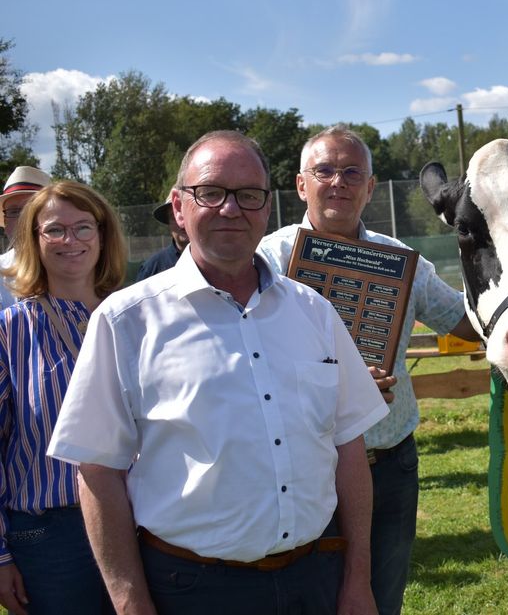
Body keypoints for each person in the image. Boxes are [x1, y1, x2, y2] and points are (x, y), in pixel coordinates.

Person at [47, 131, 389, 615]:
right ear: (179, 207)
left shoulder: (313, 312)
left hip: (316, 580)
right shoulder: (127, 322)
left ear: (267, 208)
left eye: (249, 195)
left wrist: (358, 579)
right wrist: (128, 601)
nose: (232, 209)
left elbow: (349, 448)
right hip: (191, 589)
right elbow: (98, 471)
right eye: (211, 192)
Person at [258, 124, 478, 615]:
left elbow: (464, 321)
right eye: (325, 171)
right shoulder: (265, 261)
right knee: (305, 599)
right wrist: (337, 389)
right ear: (300, 184)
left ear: (371, 187)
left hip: (388, 465)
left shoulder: (401, 260)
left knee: (379, 599)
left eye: (352, 172)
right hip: (300, 467)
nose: (338, 182)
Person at [0, 181, 125, 615]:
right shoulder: (11, 331)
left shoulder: (136, 319)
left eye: (83, 228)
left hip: (140, 524)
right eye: (54, 229)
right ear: (33, 240)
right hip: (54, 539)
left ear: (103, 235)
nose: (70, 241)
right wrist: (0, 556)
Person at [0, 167, 51, 309]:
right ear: (6, 222)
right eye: (15, 211)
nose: (24, 219)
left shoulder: (78, 265)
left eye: (33, 210)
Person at [134, 191, 188, 280]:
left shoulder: (216, 263)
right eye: (173, 216)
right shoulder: (151, 269)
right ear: (168, 223)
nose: (181, 222)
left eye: (185, 213)